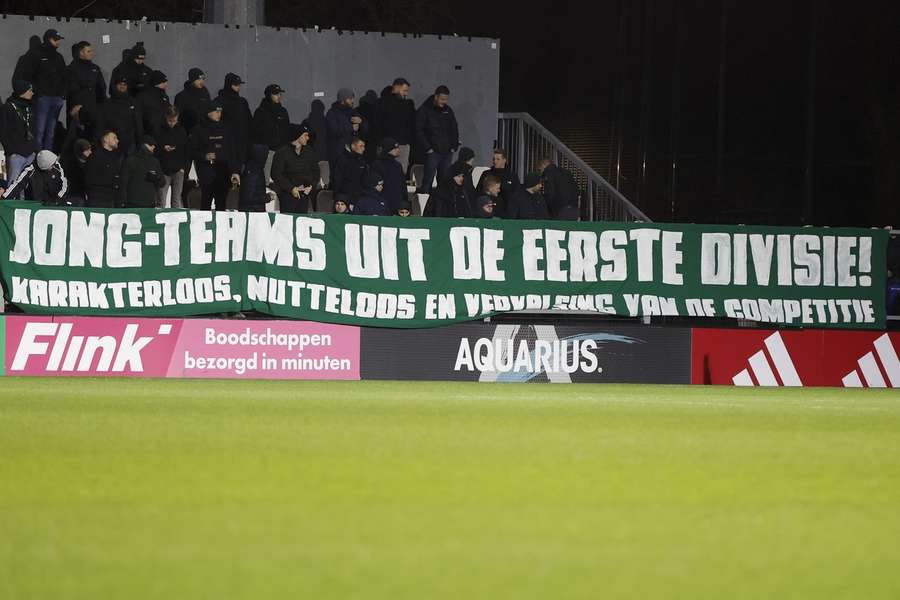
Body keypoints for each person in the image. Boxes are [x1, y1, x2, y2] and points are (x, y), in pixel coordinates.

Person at [17, 29, 67, 152]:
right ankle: (37, 158)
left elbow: (65, 76)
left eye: (58, 39)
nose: (58, 42)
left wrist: (62, 95)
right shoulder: (35, 55)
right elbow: (28, 76)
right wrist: (38, 93)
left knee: (50, 133)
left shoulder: (58, 57)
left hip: (56, 99)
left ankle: (47, 159)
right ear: (48, 39)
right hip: (43, 98)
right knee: (39, 131)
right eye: (56, 39)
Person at [190, 100, 240, 210]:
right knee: (206, 203)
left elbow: (232, 152)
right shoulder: (198, 129)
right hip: (206, 173)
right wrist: (204, 156)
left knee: (221, 203)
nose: (219, 114)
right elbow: (192, 151)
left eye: (220, 112)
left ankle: (220, 226)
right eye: (216, 112)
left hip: (223, 172)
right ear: (209, 113)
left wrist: (235, 171)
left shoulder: (226, 129)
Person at [415, 85, 459, 193]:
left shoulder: (448, 110)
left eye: (446, 99)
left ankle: (441, 206)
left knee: (444, 181)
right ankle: (425, 206)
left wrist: (454, 146)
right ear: (436, 97)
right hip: (432, 152)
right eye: (442, 99)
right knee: (428, 181)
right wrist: (428, 148)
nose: (444, 102)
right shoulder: (425, 110)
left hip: (447, 152)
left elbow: (454, 128)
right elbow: (418, 130)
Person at [271, 121, 320, 214]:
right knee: (288, 223)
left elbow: (316, 171)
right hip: (288, 195)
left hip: (304, 194)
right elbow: (276, 174)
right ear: (298, 136)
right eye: (305, 135)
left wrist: (311, 186)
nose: (308, 138)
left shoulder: (309, 152)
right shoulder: (282, 152)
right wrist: (291, 188)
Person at [0, 80, 38, 191]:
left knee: (31, 186)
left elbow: (34, 129)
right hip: (16, 155)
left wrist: (34, 149)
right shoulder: (8, 107)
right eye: (30, 90)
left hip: (30, 154)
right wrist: (11, 151)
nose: (32, 93)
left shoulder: (29, 107)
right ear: (23, 91)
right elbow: (3, 131)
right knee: (14, 186)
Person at [374, 78, 415, 173]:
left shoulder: (407, 105)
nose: (406, 94)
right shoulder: (381, 103)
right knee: (385, 172)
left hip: (402, 144)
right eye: (404, 90)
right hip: (387, 145)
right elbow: (377, 125)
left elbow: (410, 124)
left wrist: (408, 141)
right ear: (396, 87)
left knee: (401, 172)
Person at [251, 84, 290, 182]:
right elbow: (256, 133)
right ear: (269, 95)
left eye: (280, 94)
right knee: (266, 179)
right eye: (276, 94)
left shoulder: (283, 111)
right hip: (268, 152)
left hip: (281, 151)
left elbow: (286, 130)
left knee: (281, 179)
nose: (279, 96)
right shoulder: (261, 111)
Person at [152, 105, 189, 208]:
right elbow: (154, 149)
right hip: (163, 170)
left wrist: (183, 168)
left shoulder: (181, 131)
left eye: (174, 121)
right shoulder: (159, 131)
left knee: (176, 201)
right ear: (166, 117)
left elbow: (186, 151)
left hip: (178, 171)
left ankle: (175, 222)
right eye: (170, 121)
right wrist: (163, 149)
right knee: (161, 201)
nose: (172, 123)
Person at [96, 76, 142, 155]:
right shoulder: (108, 103)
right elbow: (102, 123)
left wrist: (139, 142)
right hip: (113, 143)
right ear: (115, 86)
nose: (122, 86)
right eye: (120, 84)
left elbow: (138, 124)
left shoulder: (133, 102)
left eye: (124, 84)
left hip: (130, 143)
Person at [2, 149, 68, 204]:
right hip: (34, 204)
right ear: (43, 166)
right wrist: (4, 198)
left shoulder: (56, 166)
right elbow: (17, 184)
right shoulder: (30, 170)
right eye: (51, 165)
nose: (53, 166)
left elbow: (64, 185)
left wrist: (58, 199)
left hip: (53, 203)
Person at [66, 41, 106, 129]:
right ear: (81, 52)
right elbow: (72, 89)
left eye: (91, 51)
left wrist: (102, 104)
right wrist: (77, 105)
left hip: (94, 108)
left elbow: (101, 87)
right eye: (88, 51)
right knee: (77, 135)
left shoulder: (95, 68)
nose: (91, 53)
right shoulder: (71, 69)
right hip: (78, 108)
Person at [216, 73, 253, 167]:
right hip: (224, 143)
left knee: (240, 172)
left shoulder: (242, 102)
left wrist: (248, 141)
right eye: (236, 85)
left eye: (239, 85)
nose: (238, 87)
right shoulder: (219, 101)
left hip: (241, 144)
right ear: (229, 85)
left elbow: (249, 122)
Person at [326, 88, 366, 170]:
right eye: (350, 98)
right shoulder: (332, 113)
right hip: (338, 152)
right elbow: (333, 130)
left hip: (353, 152)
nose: (352, 101)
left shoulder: (353, 111)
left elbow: (366, 128)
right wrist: (351, 127)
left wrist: (361, 121)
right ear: (343, 99)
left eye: (352, 98)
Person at [121, 135, 165, 208]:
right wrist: (156, 178)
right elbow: (123, 182)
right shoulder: (154, 161)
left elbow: (123, 182)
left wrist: (156, 178)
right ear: (144, 145)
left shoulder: (130, 160)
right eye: (151, 144)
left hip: (137, 202)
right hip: (141, 203)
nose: (154, 147)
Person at [84, 130, 124, 207]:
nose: (117, 140)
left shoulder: (115, 158)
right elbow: (88, 178)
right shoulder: (95, 157)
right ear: (106, 139)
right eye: (114, 138)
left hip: (111, 200)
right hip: (97, 200)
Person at [479, 148, 520, 217]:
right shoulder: (486, 174)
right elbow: (479, 192)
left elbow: (517, 195)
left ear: (504, 160)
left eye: (498, 159)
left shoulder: (512, 176)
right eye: (494, 159)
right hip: (489, 213)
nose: (495, 161)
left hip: (508, 214)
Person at [372, 137, 407, 215]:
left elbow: (402, 184)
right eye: (395, 148)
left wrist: (404, 200)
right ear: (388, 149)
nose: (398, 150)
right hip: (383, 203)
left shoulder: (398, 165)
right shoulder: (377, 164)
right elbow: (375, 184)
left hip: (397, 203)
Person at [174, 67, 210, 135]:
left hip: (204, 131)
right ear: (192, 80)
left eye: (203, 79)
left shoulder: (205, 93)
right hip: (189, 132)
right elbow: (178, 118)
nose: (202, 81)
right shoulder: (181, 96)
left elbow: (209, 110)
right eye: (199, 79)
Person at [331, 137, 368, 203]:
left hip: (359, 198)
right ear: (353, 146)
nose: (363, 149)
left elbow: (365, 181)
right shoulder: (342, 160)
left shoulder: (362, 161)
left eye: (364, 146)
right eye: (361, 146)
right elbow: (337, 179)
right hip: (344, 198)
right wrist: (337, 196)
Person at [59, 138, 92, 206]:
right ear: (81, 150)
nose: (90, 152)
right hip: (72, 196)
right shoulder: (71, 164)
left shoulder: (89, 163)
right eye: (87, 150)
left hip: (81, 197)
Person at [239, 143, 270, 213]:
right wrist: (268, 197)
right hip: (252, 213)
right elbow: (248, 197)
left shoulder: (255, 169)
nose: (267, 157)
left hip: (253, 212)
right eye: (266, 154)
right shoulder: (253, 172)